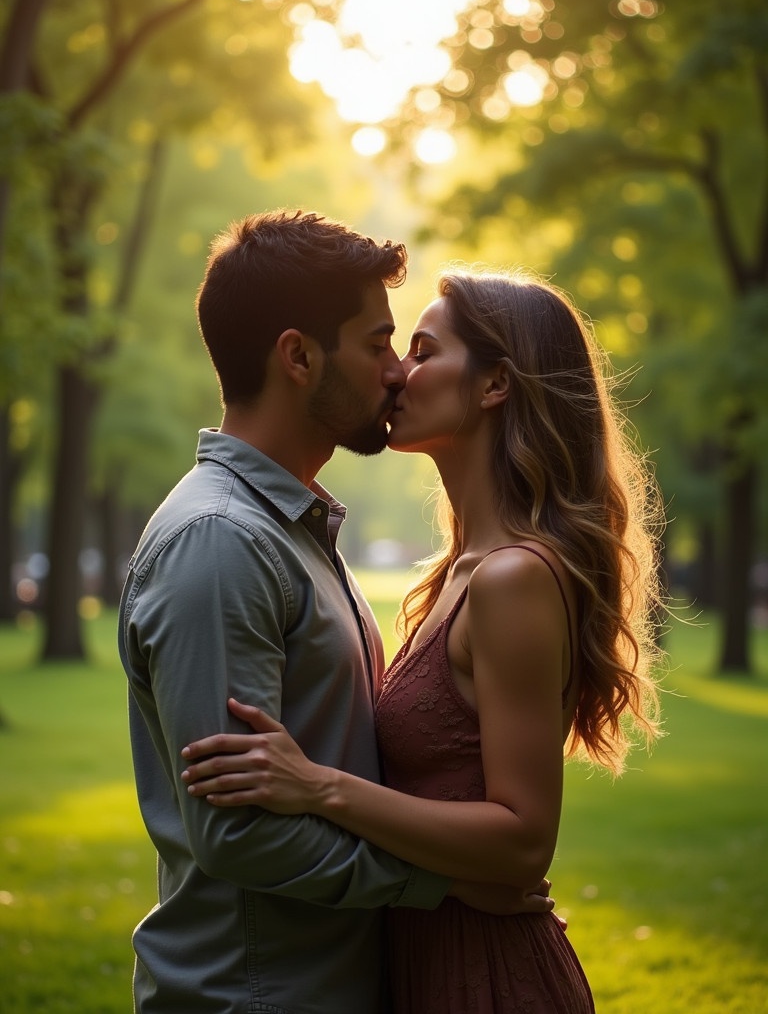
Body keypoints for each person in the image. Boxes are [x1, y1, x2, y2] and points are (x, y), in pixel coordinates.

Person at [180, 267, 666, 1013]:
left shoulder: (512, 580)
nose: (398, 374)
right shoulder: (457, 576)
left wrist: (321, 787)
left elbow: (523, 841)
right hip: (419, 957)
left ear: (494, 384)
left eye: (422, 350)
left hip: (486, 976)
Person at [118, 214, 553, 1014]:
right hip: (256, 994)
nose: (395, 374)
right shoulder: (221, 544)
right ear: (299, 357)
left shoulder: (294, 532)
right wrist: (445, 884)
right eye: (380, 344)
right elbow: (237, 831)